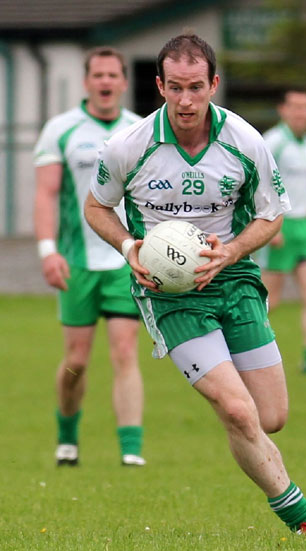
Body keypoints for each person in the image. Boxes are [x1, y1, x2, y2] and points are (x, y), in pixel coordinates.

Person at [84, 34, 306, 534]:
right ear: (159, 86)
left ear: (214, 84)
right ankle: (304, 522)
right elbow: (96, 206)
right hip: (168, 292)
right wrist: (131, 249)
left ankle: (243, 428)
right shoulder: (129, 145)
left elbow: (271, 215)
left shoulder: (245, 141)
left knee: (270, 415)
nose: (186, 100)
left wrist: (233, 251)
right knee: (237, 410)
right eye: (175, 88)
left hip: (233, 277)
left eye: (196, 87)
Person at [34, 46, 146, 466]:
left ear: (123, 81)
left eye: (112, 75)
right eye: (97, 75)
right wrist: (48, 252)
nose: (105, 82)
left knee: (124, 351)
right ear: (86, 82)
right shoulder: (60, 130)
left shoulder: (140, 130)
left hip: (125, 261)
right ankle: (67, 436)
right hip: (77, 262)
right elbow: (45, 195)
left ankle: (131, 451)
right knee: (76, 360)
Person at [259, 88, 306, 374]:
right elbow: (257, 182)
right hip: (280, 226)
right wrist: (270, 224)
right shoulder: (272, 141)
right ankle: (245, 351)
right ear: (282, 110)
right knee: (270, 300)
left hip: (304, 229)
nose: (301, 113)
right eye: (295, 107)